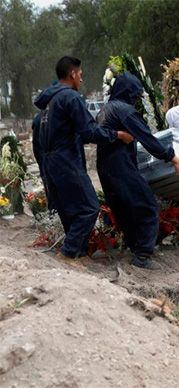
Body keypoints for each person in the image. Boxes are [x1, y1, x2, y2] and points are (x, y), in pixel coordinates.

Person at [33, 56, 134, 261]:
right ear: (72, 74)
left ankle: (76, 253)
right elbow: (89, 131)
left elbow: (38, 136)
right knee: (89, 208)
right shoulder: (70, 98)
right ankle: (69, 253)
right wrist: (117, 135)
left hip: (50, 163)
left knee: (70, 210)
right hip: (67, 161)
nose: (81, 79)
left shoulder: (48, 102)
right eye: (80, 74)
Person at [96, 72, 179, 269]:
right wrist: (172, 157)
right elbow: (146, 138)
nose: (136, 99)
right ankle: (143, 256)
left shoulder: (105, 109)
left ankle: (133, 247)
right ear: (129, 93)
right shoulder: (124, 110)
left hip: (104, 167)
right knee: (147, 206)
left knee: (124, 209)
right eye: (136, 95)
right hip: (120, 167)